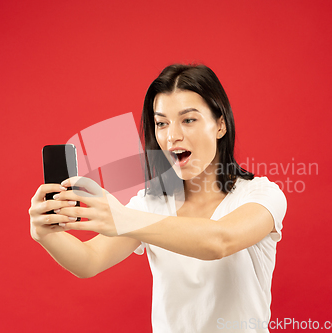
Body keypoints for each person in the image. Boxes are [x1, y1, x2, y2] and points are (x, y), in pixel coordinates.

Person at [29, 64, 287, 332]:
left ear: (220, 125)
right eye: (162, 123)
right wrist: (45, 233)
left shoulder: (262, 195)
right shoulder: (151, 203)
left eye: (188, 120)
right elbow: (89, 260)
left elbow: (219, 240)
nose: (172, 136)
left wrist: (123, 218)